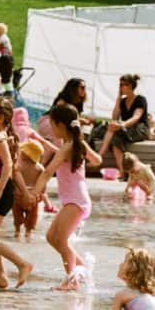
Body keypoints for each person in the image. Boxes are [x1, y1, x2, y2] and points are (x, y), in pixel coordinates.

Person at [32, 103, 102, 290]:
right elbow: (98, 160)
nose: (51, 128)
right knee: (51, 237)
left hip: (76, 201)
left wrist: (34, 192)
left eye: (52, 125)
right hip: (75, 200)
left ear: (61, 126)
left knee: (60, 240)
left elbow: (47, 172)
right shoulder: (75, 144)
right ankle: (81, 269)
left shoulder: (67, 147)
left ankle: (72, 279)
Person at [0, 96, 33, 289]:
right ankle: (1, 276)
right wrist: (24, 192)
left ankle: (22, 264)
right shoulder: (5, 137)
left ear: (0, 117)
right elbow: (15, 169)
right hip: (3, 190)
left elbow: (9, 166)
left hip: (1, 191)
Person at [96, 74, 149, 177]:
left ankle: (99, 156)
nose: (121, 87)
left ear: (131, 86)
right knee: (115, 138)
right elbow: (115, 117)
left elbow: (136, 117)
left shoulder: (140, 99)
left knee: (114, 131)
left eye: (124, 84)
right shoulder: (123, 101)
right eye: (120, 84)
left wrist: (122, 125)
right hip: (125, 129)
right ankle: (122, 171)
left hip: (139, 128)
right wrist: (118, 99)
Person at [14, 139, 45, 237]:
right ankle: (28, 233)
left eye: (23, 151)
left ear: (27, 154)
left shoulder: (19, 166)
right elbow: (42, 184)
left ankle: (17, 231)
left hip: (18, 195)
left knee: (17, 215)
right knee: (32, 218)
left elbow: (13, 181)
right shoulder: (39, 168)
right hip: (33, 196)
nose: (21, 152)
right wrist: (42, 194)